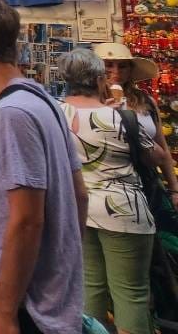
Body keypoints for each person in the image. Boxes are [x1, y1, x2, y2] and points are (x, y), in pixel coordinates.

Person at [0, 0, 87, 334]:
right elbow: (79, 194)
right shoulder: (43, 100)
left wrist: (3, 311)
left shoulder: (11, 114)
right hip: (46, 289)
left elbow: (26, 219)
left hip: (19, 297)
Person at [59, 48, 157, 334]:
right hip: (124, 211)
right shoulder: (119, 117)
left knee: (91, 288)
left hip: (78, 210)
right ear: (99, 78)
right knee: (131, 294)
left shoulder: (55, 113)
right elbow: (154, 156)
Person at [97, 41, 178, 202]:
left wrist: (174, 189)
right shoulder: (91, 102)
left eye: (122, 66)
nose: (115, 71)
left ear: (130, 71)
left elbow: (162, 145)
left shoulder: (145, 101)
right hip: (107, 188)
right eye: (109, 65)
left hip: (147, 184)